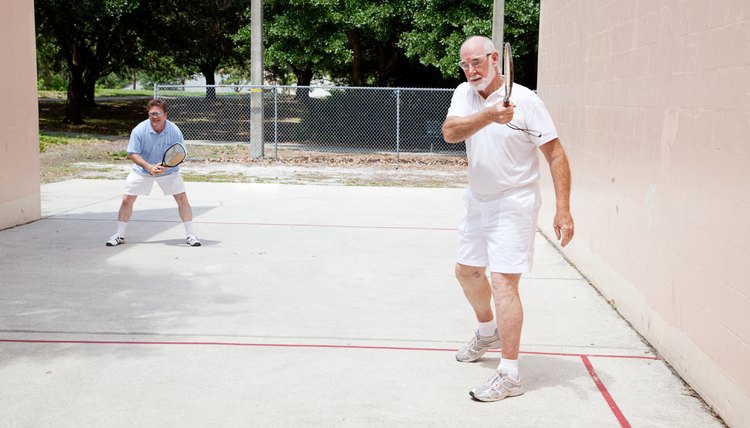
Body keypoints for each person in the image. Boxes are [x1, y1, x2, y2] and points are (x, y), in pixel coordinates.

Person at [442, 36, 574, 402]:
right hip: (478, 199)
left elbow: (556, 155)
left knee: (503, 282)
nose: (471, 70)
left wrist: (563, 208)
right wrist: (489, 115)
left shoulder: (529, 101)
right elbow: (451, 133)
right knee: (466, 272)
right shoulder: (464, 94)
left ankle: (511, 374)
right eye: (465, 64)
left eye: (477, 62)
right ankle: (487, 331)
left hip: (515, 201)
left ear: (495, 59)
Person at [105, 99, 201, 247]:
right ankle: (120, 235)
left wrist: (166, 167)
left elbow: (181, 153)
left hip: (169, 171)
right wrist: (148, 167)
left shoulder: (174, 130)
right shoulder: (139, 130)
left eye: (158, 114)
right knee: (127, 200)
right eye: (151, 114)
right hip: (142, 170)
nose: (155, 117)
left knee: (182, 199)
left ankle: (191, 235)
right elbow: (132, 153)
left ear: (165, 115)